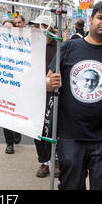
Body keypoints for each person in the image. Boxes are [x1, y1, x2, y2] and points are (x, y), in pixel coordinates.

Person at [46, 1, 102, 190]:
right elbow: (47, 82)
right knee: (70, 186)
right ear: (91, 19)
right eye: (101, 17)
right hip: (70, 135)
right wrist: (47, 84)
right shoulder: (68, 48)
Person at [28, 15, 60, 178]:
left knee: (54, 127)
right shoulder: (31, 46)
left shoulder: (60, 46)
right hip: (35, 92)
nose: (33, 29)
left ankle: (56, 159)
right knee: (38, 128)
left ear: (47, 28)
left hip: (54, 94)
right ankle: (44, 161)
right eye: (33, 26)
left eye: (37, 26)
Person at [0, 19, 22, 154]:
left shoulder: (20, 43)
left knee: (17, 112)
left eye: (9, 28)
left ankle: (17, 130)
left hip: (17, 84)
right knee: (5, 114)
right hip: (2, 83)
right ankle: (9, 143)